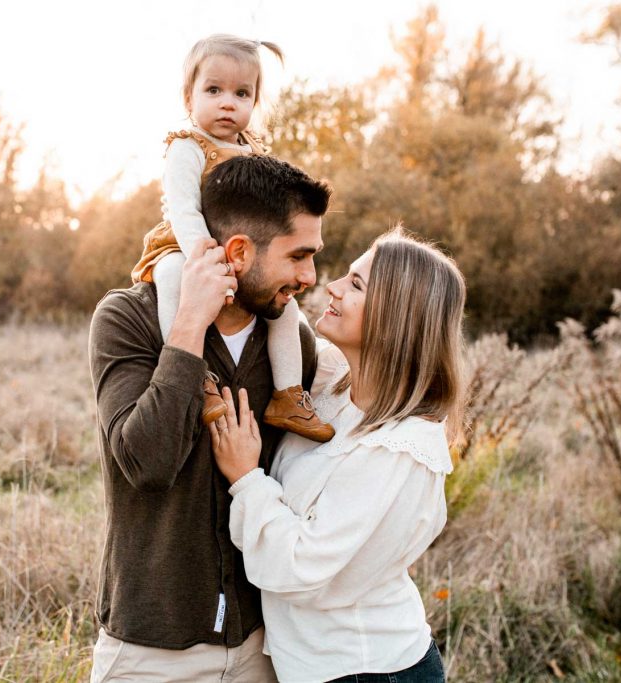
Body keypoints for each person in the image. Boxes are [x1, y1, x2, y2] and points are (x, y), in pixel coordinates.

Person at [88, 154, 332, 682]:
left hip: (263, 645)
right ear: (239, 252)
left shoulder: (294, 347)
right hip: (151, 650)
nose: (310, 276)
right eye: (299, 256)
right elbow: (146, 462)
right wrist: (191, 322)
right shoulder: (127, 319)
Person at [210, 228, 465, 683]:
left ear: (396, 317)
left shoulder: (401, 448)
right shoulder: (332, 382)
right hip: (315, 667)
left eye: (356, 284)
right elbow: (279, 319)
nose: (332, 286)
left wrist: (246, 478)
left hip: (366, 670)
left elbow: (304, 567)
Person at [131, 33, 334, 443]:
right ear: (189, 98)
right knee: (172, 279)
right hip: (185, 245)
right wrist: (203, 257)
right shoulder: (187, 147)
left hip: (241, 253)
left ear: (254, 102)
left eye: (242, 93)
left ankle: (288, 394)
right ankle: (196, 377)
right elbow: (184, 208)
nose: (228, 102)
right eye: (214, 90)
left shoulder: (255, 152)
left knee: (285, 310)